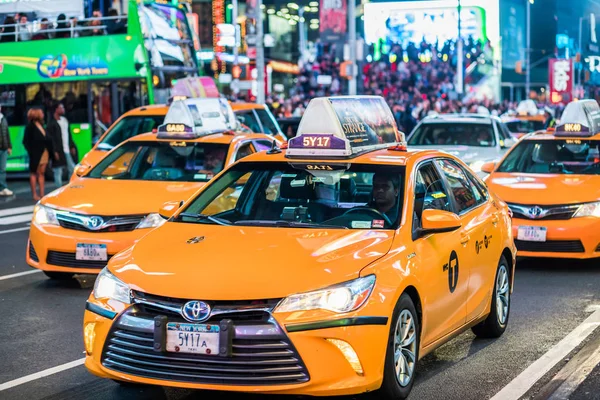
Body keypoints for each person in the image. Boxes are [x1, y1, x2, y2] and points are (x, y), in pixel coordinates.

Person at [23, 108, 52, 201]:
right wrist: (31, 151)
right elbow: (25, 141)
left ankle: (42, 194)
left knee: (41, 173)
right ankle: (35, 195)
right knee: (33, 173)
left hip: (44, 153)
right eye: (41, 113)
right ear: (37, 115)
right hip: (35, 154)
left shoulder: (42, 125)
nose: (43, 114)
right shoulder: (30, 127)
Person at [47, 102, 76, 187]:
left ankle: (70, 186)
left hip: (66, 149)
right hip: (58, 150)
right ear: (56, 110)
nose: (63, 109)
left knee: (72, 168)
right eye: (61, 108)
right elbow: (51, 139)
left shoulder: (65, 120)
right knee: (58, 171)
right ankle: (58, 189)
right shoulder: (51, 123)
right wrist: (54, 151)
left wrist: (72, 146)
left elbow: (69, 135)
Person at [0, 105, 13, 196]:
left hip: (4, 148)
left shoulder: (3, 118)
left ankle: (3, 188)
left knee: (2, 169)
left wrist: (9, 146)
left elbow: (7, 133)